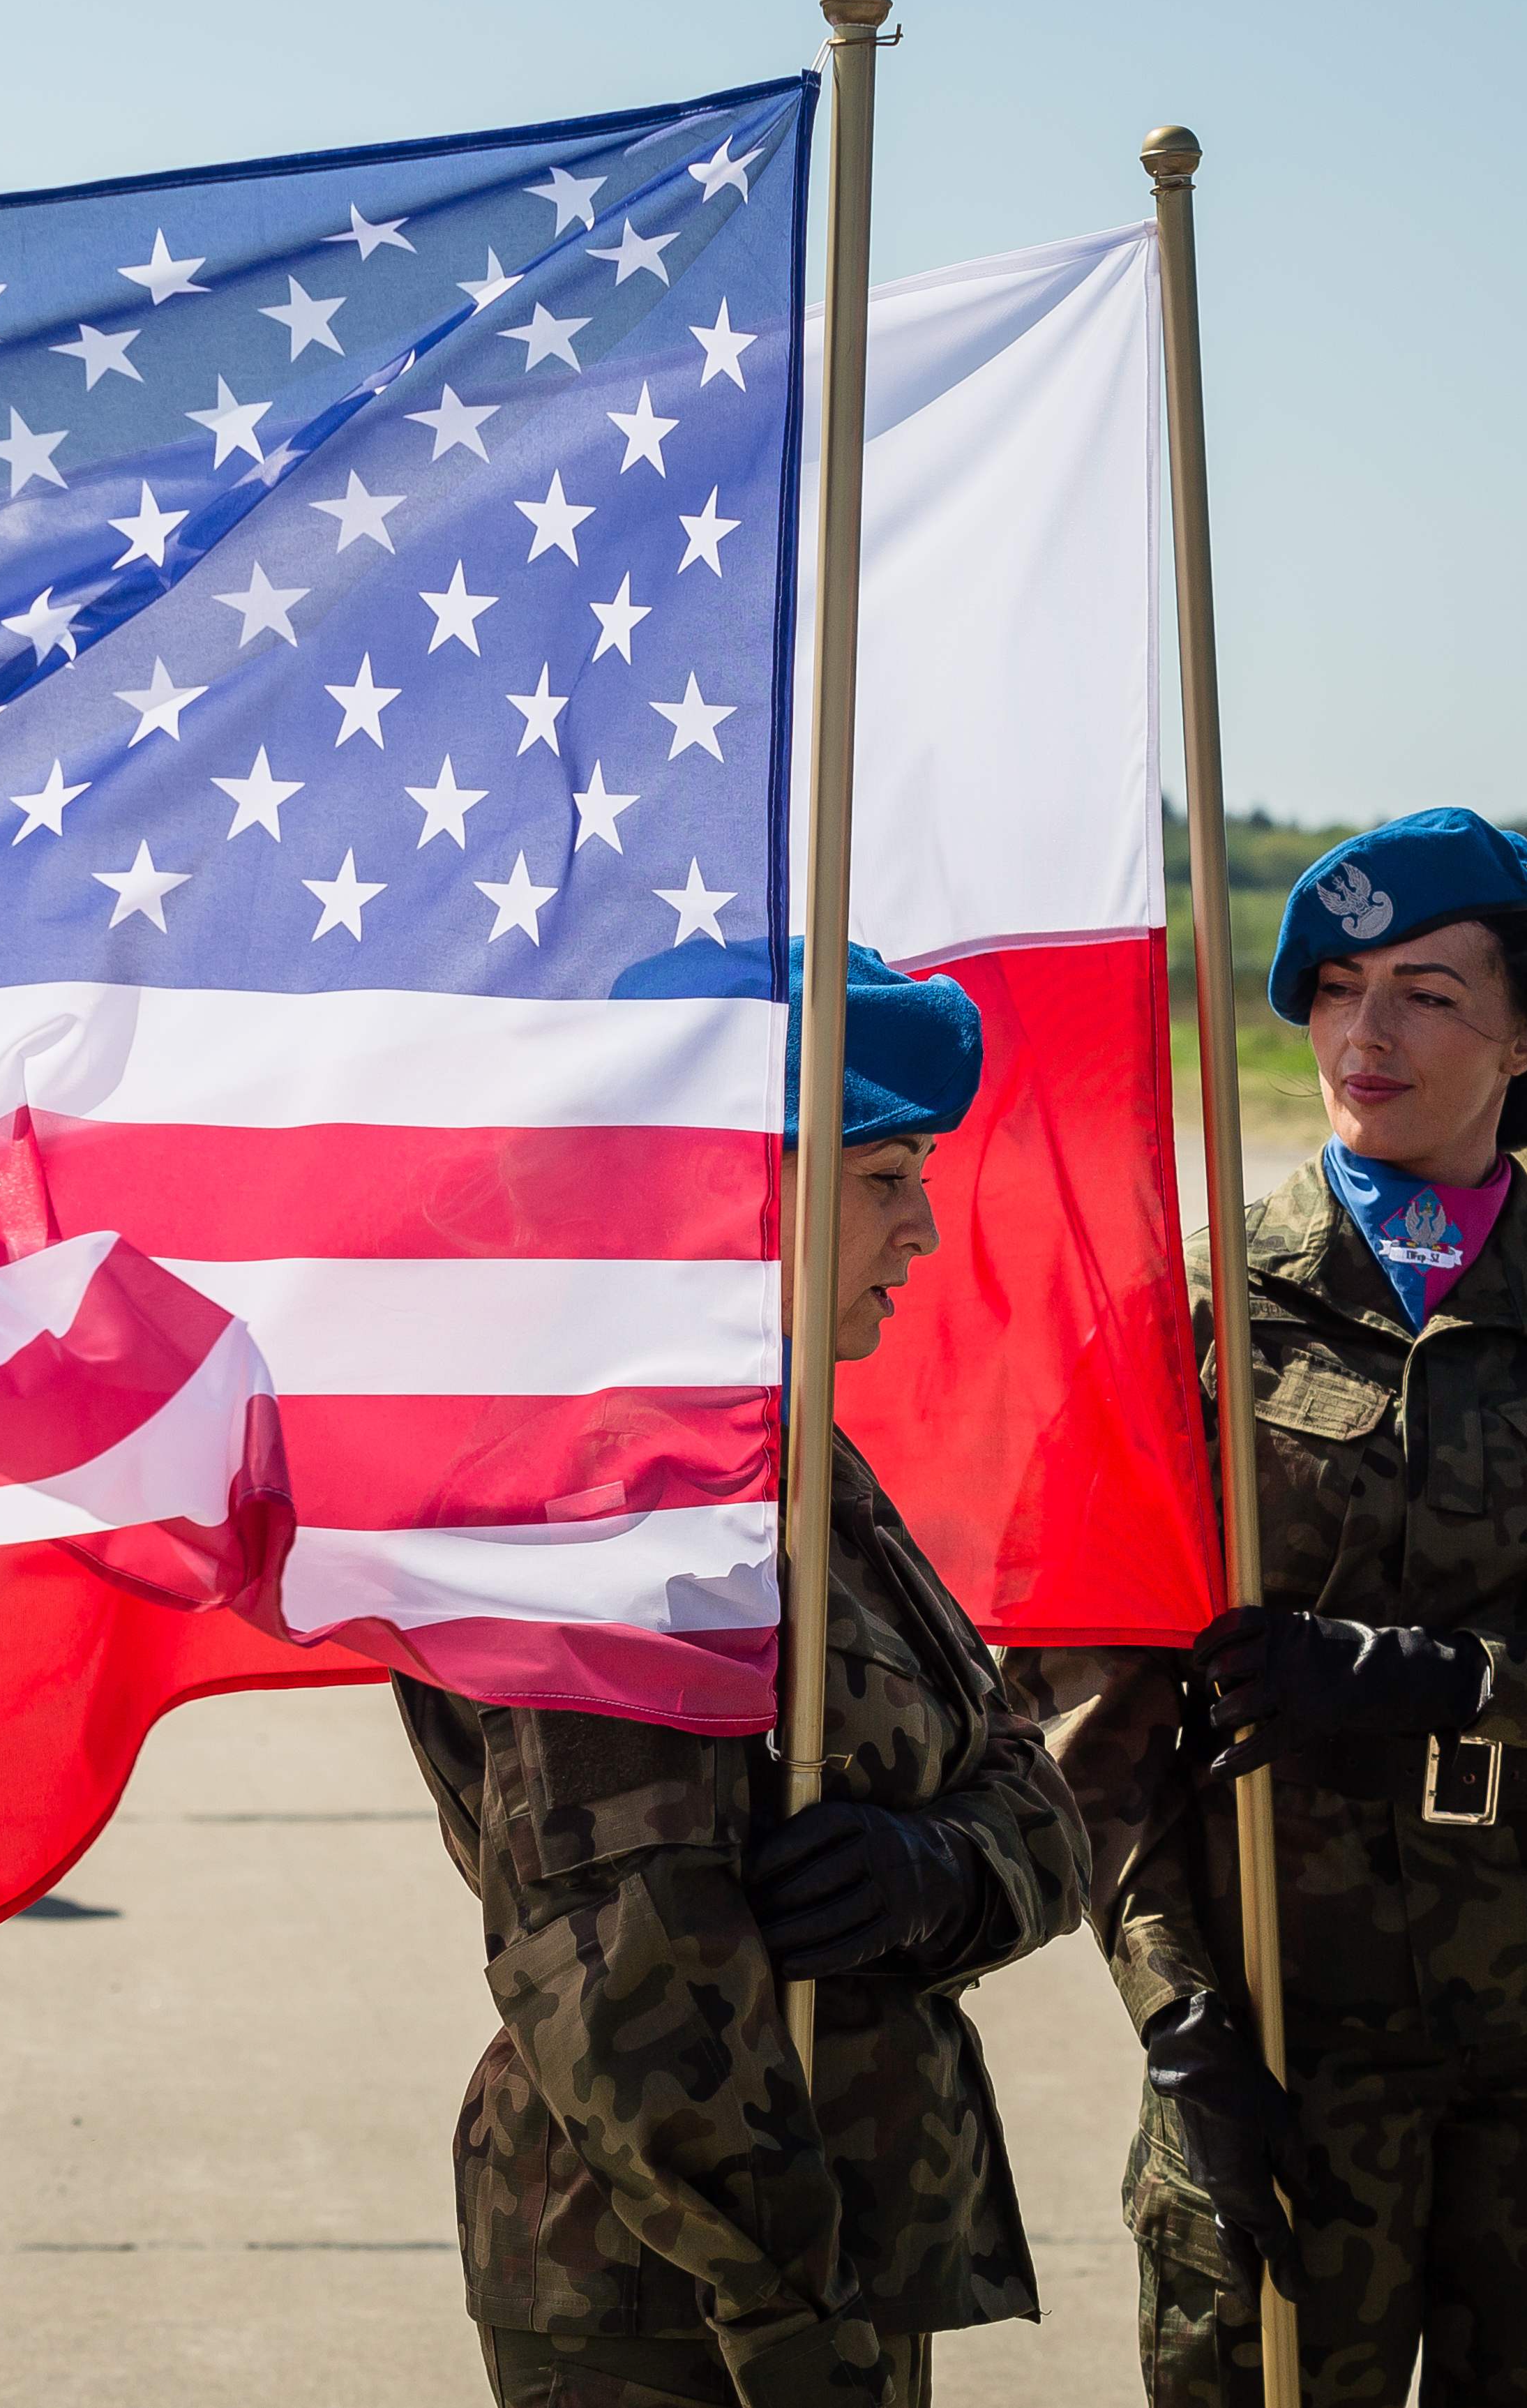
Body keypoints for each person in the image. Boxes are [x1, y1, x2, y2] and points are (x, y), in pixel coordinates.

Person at [1004, 810, 1527, 2407]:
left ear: (1526, 1034)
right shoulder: (1193, 1311)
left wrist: (1453, 1680)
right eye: (1336, 988)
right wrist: (1177, 2015)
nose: (1365, 1033)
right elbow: (1081, 1723)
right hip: (1279, 2026)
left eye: (1428, 994)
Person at [400, 948, 1092, 2408]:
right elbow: (619, 1965)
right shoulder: (611, 1488)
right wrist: (788, 2317)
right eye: (883, 1176)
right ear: (731, 1187)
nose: (922, 1227)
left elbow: (1024, 1786)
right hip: (681, 2288)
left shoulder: (782, 1448)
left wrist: (933, 1872)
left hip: (832, 2245)